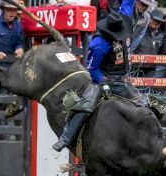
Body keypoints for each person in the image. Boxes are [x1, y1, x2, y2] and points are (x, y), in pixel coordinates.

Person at [52, 0, 135, 152]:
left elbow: (128, 3)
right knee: (87, 105)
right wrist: (103, 83)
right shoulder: (99, 44)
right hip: (103, 80)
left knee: (143, 104)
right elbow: (92, 68)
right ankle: (65, 138)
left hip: (122, 81)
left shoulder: (119, 20)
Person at [132, 8, 165, 77]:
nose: (156, 22)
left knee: (148, 87)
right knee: (131, 87)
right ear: (149, 18)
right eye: (154, 20)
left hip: (151, 69)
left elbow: (161, 53)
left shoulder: (162, 36)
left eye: (159, 21)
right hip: (135, 66)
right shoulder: (140, 31)